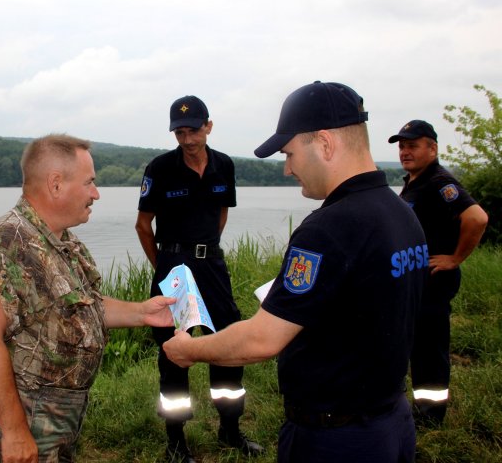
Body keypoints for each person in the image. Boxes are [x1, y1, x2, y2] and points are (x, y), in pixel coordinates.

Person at [163, 81, 429, 463]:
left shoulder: (328, 228)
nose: (288, 169)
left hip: (335, 438)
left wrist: (190, 350)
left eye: (289, 153)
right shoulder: (402, 213)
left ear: (324, 143)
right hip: (392, 421)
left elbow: (261, 340)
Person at [0, 133, 175, 463]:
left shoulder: (64, 242)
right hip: (24, 417)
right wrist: (15, 432)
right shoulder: (5, 245)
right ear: (56, 184)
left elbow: (86, 307)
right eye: (89, 183)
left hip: (57, 417)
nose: (96, 194)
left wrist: (144, 312)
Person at [135, 95, 262, 463]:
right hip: (174, 265)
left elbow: (221, 215)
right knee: (175, 353)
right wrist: (165, 266)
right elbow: (144, 226)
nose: (187, 139)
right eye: (180, 132)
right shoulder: (160, 168)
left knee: (228, 344)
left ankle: (230, 430)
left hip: (212, 264)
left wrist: (207, 250)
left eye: (193, 130)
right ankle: (176, 443)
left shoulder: (224, 166)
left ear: (209, 126)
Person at [388, 120, 488, 426]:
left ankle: (430, 416)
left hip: (433, 282)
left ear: (432, 148)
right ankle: (415, 407)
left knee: (429, 350)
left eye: (413, 145)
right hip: (416, 282)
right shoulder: (416, 180)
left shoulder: (439, 182)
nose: (405, 152)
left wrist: (455, 258)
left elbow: (477, 218)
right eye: (402, 146)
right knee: (415, 345)